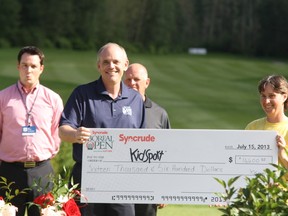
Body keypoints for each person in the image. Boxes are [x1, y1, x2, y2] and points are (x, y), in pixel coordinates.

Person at [58, 43, 145, 216]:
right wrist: (75, 134)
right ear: (99, 66)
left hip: (124, 180)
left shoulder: (136, 99)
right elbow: (63, 130)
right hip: (88, 178)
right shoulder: (82, 93)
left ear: (125, 65)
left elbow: (143, 139)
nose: (111, 66)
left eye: (115, 61)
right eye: (106, 62)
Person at [0, 46, 63, 216]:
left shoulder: (53, 99)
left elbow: (56, 133)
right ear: (18, 66)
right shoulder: (3, 98)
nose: (29, 70)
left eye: (33, 66)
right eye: (24, 65)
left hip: (42, 171)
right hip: (10, 172)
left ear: (41, 68)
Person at [124, 63, 171, 216]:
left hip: (149, 186)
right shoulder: (114, 108)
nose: (132, 83)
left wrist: (164, 188)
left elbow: (167, 153)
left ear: (147, 83)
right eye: (128, 79)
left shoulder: (159, 113)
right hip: (119, 183)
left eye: (136, 79)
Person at [245, 75, 288, 169]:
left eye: (272, 96)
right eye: (263, 96)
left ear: (284, 97)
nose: (266, 101)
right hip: (257, 184)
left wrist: (282, 154)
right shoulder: (252, 127)